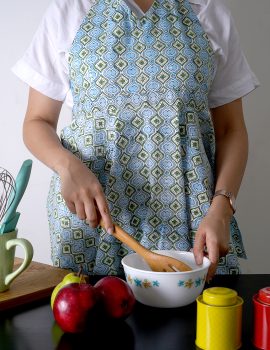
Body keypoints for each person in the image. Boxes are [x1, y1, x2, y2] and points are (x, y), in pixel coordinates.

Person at [12, 0, 259, 281]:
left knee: (201, 323)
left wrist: (222, 210)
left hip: (196, 223)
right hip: (94, 217)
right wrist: (67, 167)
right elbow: (37, 122)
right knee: (91, 318)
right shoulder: (71, 10)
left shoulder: (207, 11)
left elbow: (231, 129)